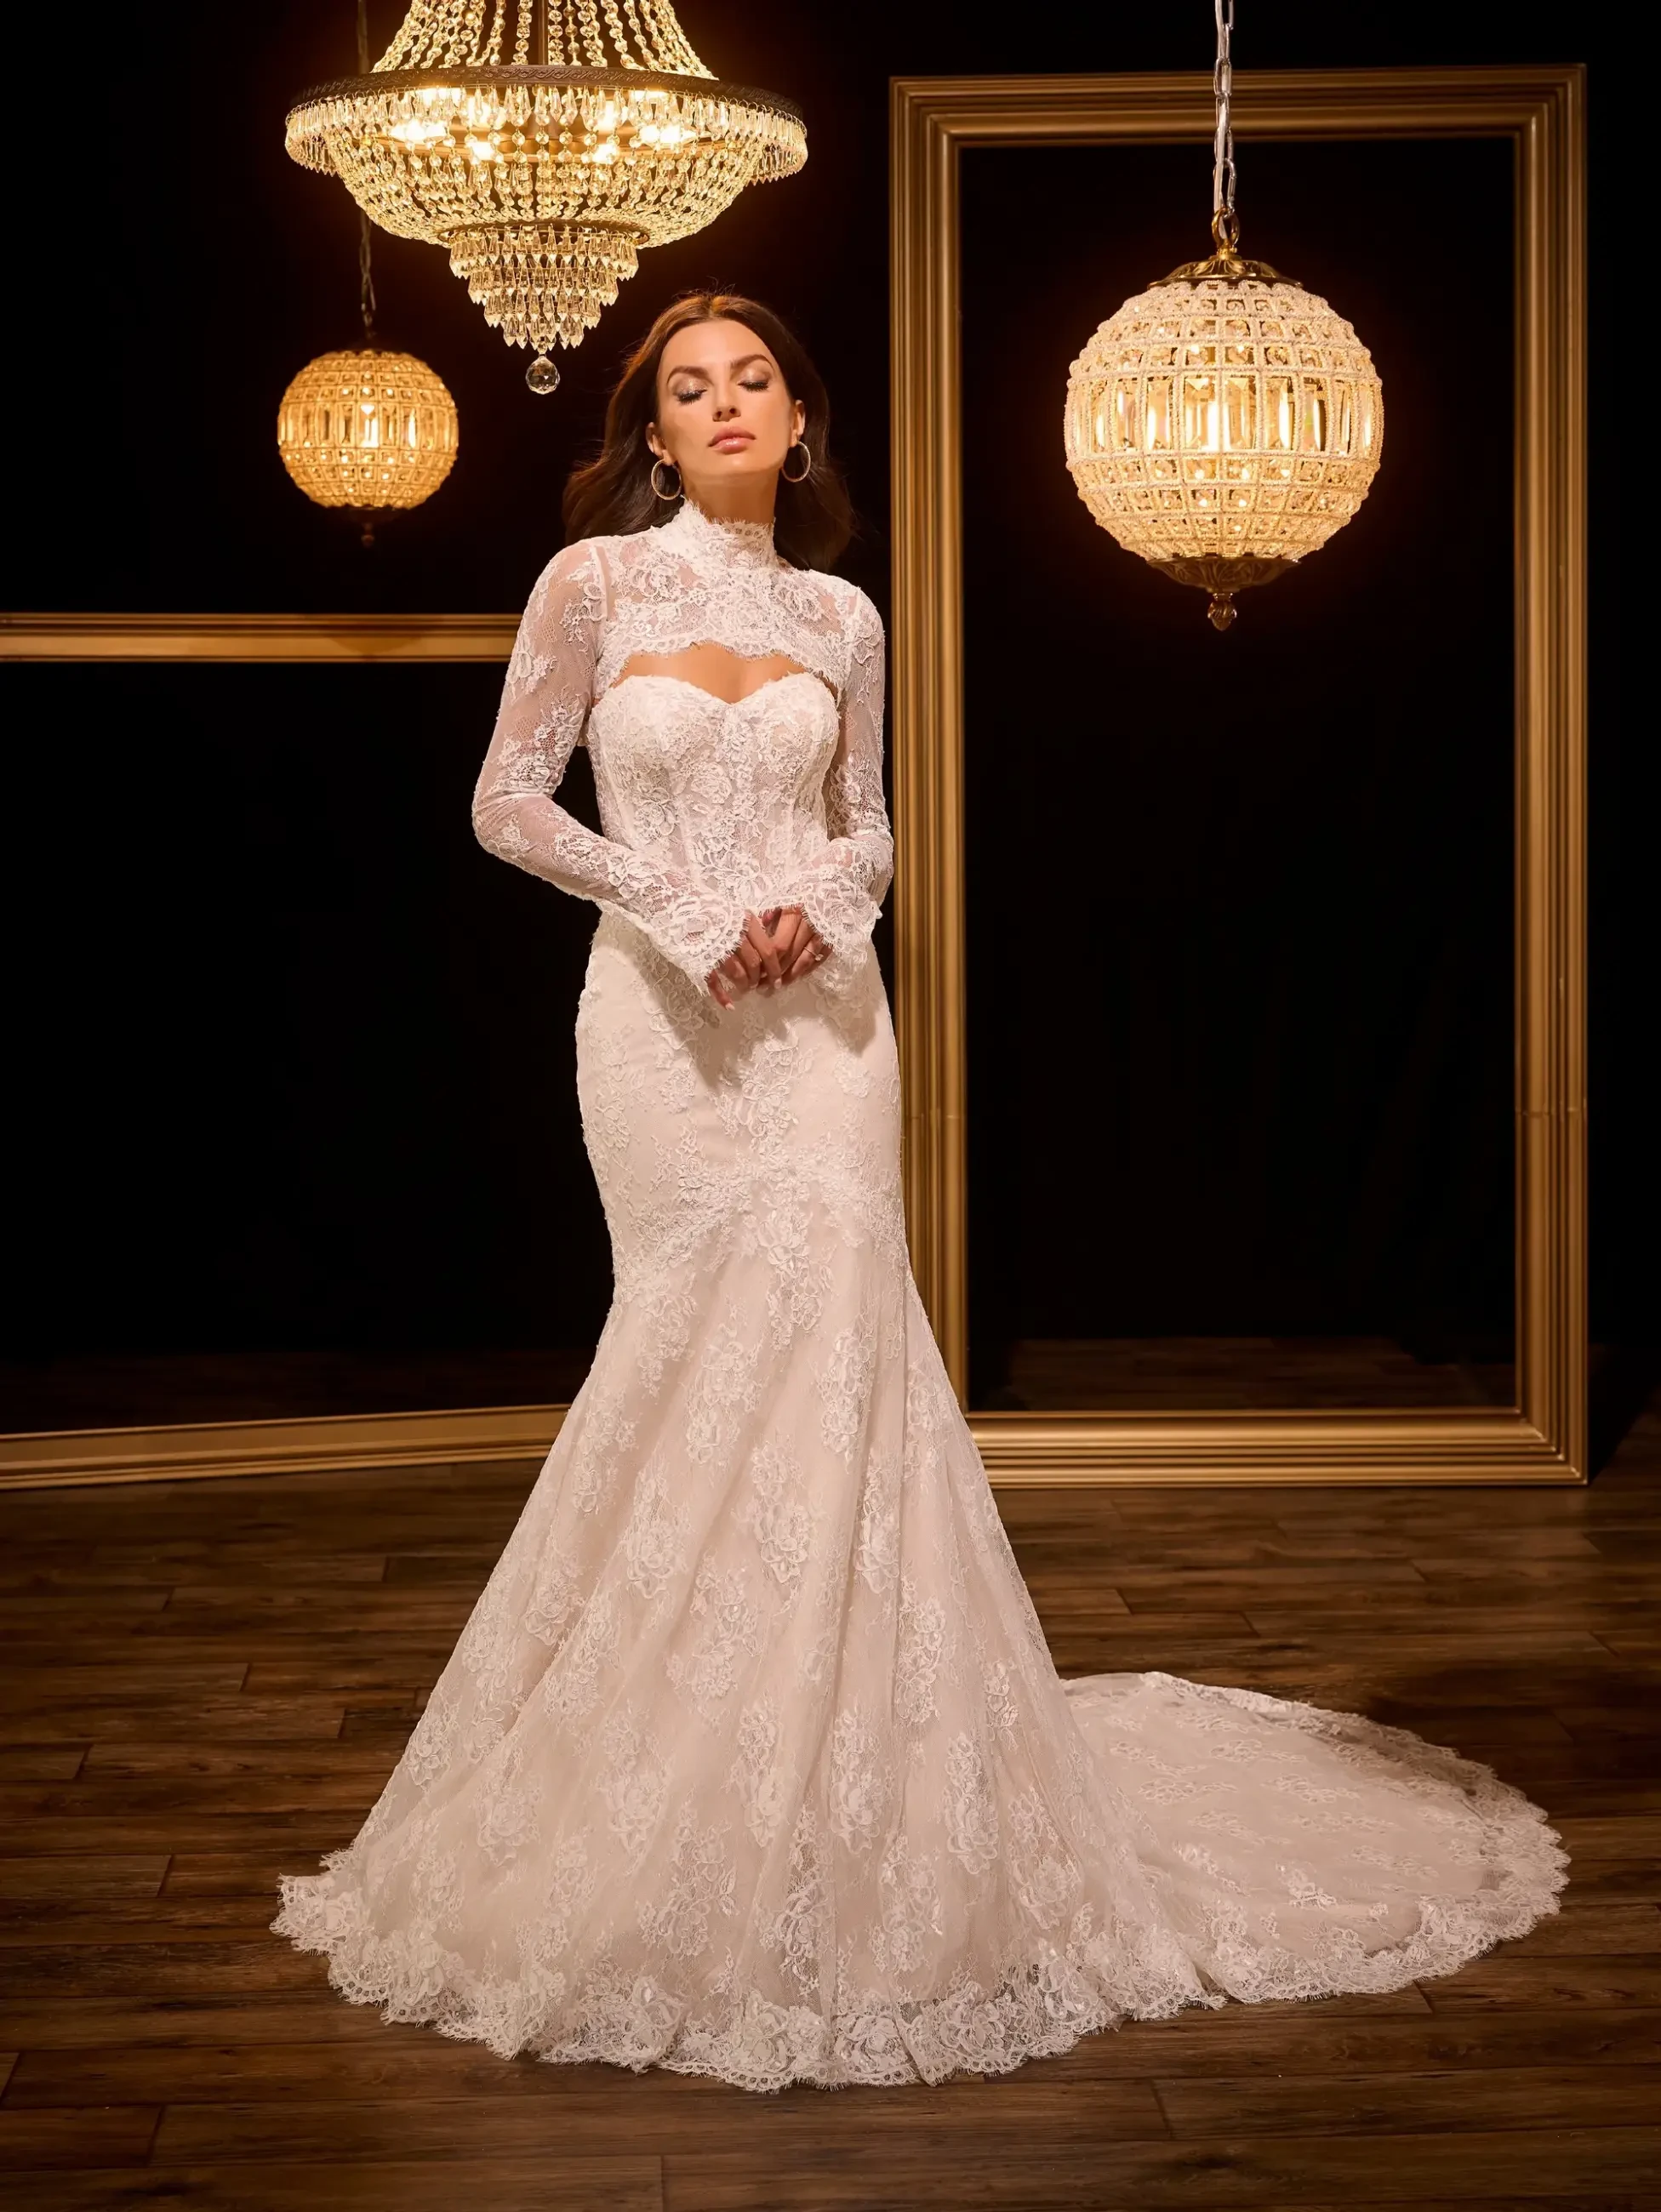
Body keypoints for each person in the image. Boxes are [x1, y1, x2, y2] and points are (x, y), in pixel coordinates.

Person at [274, 293, 1566, 2090]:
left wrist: (830, 908)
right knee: (678, 1359)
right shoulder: (595, 587)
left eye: (753, 382)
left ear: (799, 420)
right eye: (685, 390)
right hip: (659, 1031)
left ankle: (852, 1762)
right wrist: (688, 906)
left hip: (823, 1032)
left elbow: (868, 818)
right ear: (650, 434)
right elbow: (506, 798)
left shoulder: (840, 614)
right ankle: (664, 1761)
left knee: (838, 1354)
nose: (721, 406)